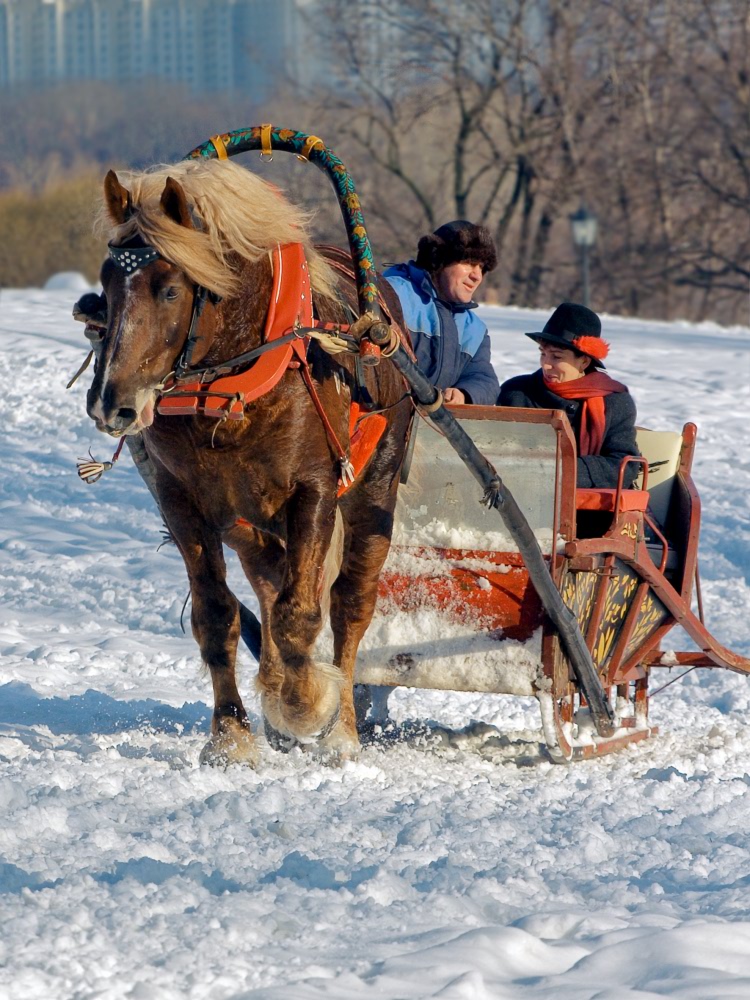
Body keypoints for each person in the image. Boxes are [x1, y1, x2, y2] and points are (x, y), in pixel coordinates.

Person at [497, 302, 639, 489]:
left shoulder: (615, 402)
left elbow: (624, 465)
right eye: (543, 354)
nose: (546, 365)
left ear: (584, 361)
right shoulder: (516, 392)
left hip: (587, 511)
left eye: (556, 357)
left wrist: (560, 470)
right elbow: (496, 450)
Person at [383, 220, 500, 405]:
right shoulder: (391, 295)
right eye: (469, 262)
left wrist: (464, 394)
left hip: (434, 429)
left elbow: (485, 380)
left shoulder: (474, 330)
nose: (477, 275)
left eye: (482, 267)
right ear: (438, 261)